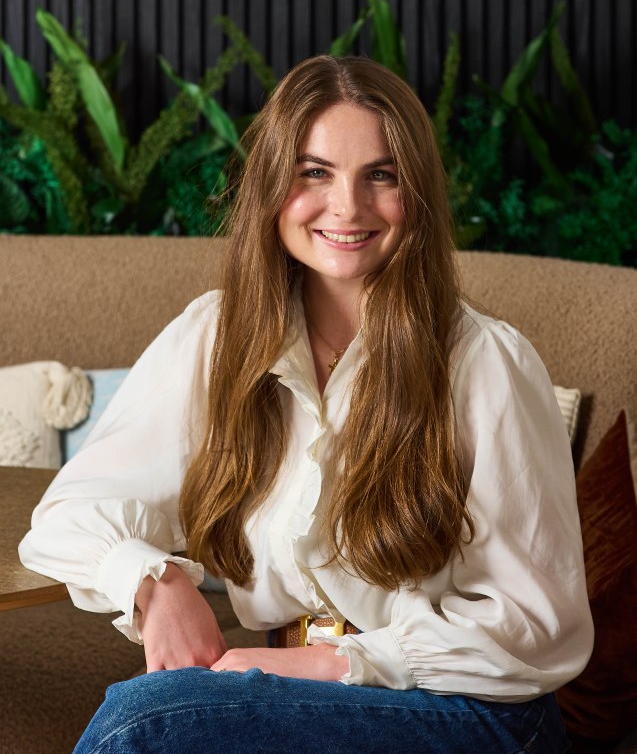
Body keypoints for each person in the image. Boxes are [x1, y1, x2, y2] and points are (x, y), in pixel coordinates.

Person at [20, 56, 593, 754]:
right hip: (297, 694)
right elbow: (66, 516)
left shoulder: (485, 361)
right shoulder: (216, 337)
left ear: (415, 192)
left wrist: (332, 664)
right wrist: (155, 581)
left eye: (380, 175)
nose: (346, 206)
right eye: (315, 172)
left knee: (144, 724)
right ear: (271, 185)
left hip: (471, 709)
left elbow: (538, 626)